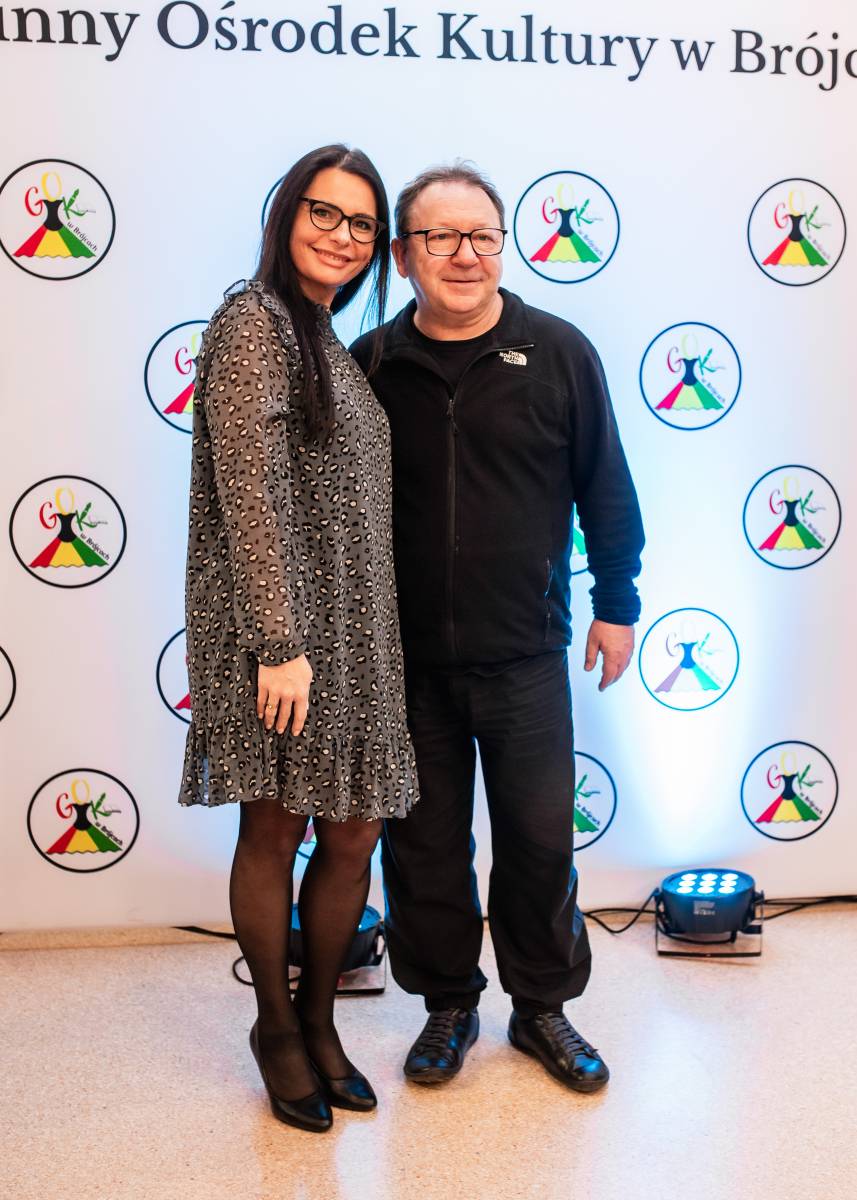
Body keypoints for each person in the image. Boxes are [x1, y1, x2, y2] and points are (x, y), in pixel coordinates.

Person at [351, 162, 644, 1093]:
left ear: (502, 246)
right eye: (439, 237)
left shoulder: (558, 352)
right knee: (423, 848)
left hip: (525, 656)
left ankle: (540, 1007)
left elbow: (605, 487)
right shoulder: (369, 363)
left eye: (481, 235)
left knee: (538, 842)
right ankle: (448, 1005)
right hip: (405, 667)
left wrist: (617, 604)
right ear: (404, 256)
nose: (464, 254)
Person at [179, 145, 419, 1132]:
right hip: (282, 634)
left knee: (353, 827)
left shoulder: (321, 334)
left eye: (362, 224)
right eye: (325, 212)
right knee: (275, 826)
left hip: (356, 629)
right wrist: (278, 644)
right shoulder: (253, 321)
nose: (343, 236)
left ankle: (319, 1022)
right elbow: (249, 493)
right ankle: (275, 1031)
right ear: (286, 214)